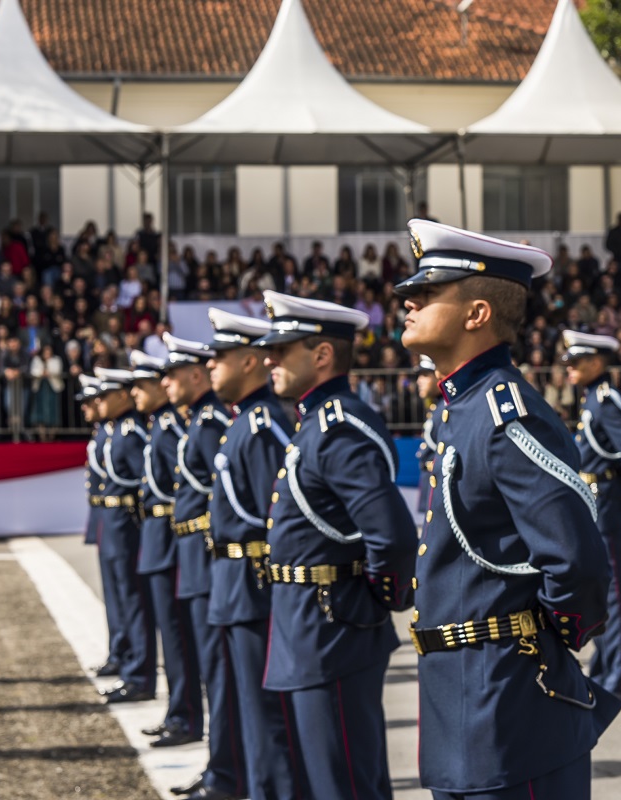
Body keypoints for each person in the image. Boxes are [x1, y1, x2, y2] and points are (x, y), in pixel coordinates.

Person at [397, 220, 619, 800]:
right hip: (463, 703)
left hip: (511, 705)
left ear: (477, 314)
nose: (408, 301)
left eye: (428, 292)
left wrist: (536, 639)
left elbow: (577, 563)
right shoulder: (461, 410)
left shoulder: (505, 412)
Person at [256, 291, 418, 800]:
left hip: (333, 629)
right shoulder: (315, 424)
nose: (269, 359)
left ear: (322, 355)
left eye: (283, 350)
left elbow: (390, 536)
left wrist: (373, 601)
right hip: (309, 627)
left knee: (344, 783)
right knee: (322, 777)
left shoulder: (337, 428)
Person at [204, 308, 302, 799]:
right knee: (243, 706)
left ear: (248, 362)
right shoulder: (244, 422)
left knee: (266, 715)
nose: (210, 368)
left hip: (251, 582)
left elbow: (277, 514)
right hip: (233, 583)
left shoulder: (262, 424)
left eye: (220, 358)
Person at [161, 333, 247, 800]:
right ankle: (222, 767)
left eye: (174, 375)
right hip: (195, 554)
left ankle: (226, 771)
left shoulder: (212, 419)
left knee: (219, 673)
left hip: (207, 552)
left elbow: (225, 491)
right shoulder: (200, 419)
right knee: (214, 669)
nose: (167, 383)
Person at [560, 330, 621, 706]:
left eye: (578, 361)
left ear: (597, 362)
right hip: (595, 504)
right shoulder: (593, 399)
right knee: (603, 591)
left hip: (605, 505)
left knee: (613, 596)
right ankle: (608, 666)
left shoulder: (606, 400)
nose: (570, 368)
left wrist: (614, 489)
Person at [128, 350, 204, 751]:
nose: (136, 393)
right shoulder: (162, 423)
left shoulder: (175, 425)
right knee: (172, 637)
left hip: (174, 538)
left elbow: (188, 483)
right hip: (160, 537)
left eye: (143, 385)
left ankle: (185, 714)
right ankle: (179, 710)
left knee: (178, 638)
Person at [91, 367, 156, 705]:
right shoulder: (118, 431)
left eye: (104, 396)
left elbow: (148, 482)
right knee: (122, 599)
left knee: (134, 602)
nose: (98, 403)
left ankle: (138, 672)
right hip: (113, 522)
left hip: (127, 525)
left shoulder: (130, 432)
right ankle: (130, 665)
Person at [79, 374, 130, 678]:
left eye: (95, 399)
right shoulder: (106, 432)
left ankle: (128, 656)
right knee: (115, 595)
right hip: (106, 518)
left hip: (122, 520)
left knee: (126, 596)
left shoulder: (124, 432)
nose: (90, 406)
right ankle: (120, 652)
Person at [413, 354, 442, 516]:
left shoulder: (445, 409)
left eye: (425, 375)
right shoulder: (436, 408)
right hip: (431, 485)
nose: (419, 381)